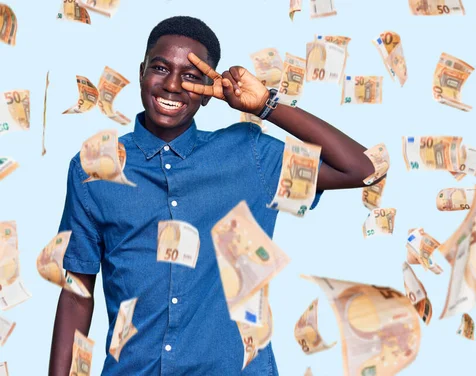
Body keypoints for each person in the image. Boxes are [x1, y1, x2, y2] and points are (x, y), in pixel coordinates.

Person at [49, 15, 380, 376]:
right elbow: (77, 291)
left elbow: (364, 169)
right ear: (142, 72)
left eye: (191, 76)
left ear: (210, 91)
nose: (173, 85)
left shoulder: (248, 156)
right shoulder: (94, 168)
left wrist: (265, 106)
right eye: (160, 68)